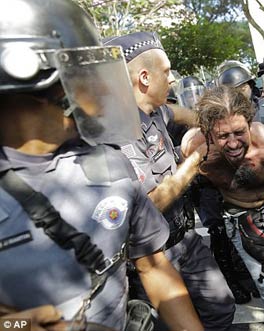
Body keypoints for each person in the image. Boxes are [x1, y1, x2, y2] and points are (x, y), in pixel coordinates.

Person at [0, 1, 203, 331]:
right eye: (84, 73)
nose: (103, 88)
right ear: (31, 76)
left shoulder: (108, 163)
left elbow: (153, 268)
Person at [103, 32, 235, 331]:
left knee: (221, 308)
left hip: (186, 239)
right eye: (166, 72)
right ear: (145, 78)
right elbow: (151, 203)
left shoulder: (156, 111)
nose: (173, 79)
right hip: (154, 257)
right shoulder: (119, 130)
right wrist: (194, 161)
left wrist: (211, 124)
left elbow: (183, 113)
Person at [182, 85, 264, 331]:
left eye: (239, 132)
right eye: (223, 136)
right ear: (208, 133)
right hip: (240, 219)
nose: (232, 144)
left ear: (249, 123)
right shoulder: (196, 152)